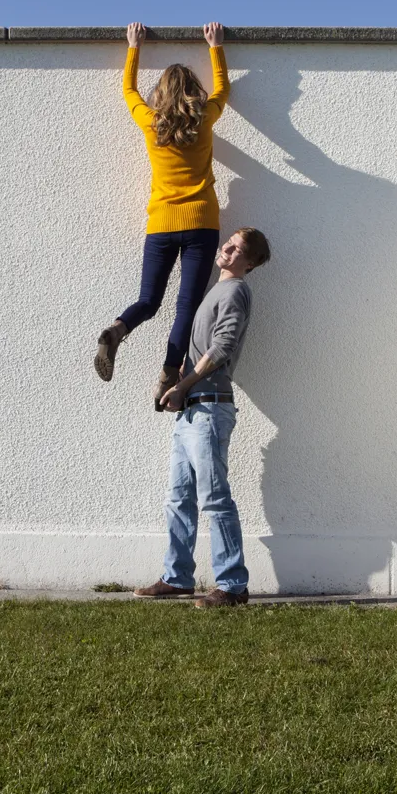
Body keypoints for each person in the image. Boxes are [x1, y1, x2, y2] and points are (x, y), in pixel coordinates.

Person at [133, 227, 271, 608]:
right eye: (229, 242)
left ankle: (232, 586)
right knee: (178, 498)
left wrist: (186, 383)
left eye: (237, 249)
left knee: (215, 498)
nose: (226, 248)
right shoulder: (217, 289)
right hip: (192, 410)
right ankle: (177, 578)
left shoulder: (235, 291)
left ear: (250, 262)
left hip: (210, 407)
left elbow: (224, 345)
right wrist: (179, 385)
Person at [95, 21, 230, 409]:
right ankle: (168, 377)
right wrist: (215, 47)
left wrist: (133, 47)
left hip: (161, 225)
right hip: (201, 222)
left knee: (148, 300)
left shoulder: (150, 122)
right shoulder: (205, 117)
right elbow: (223, 89)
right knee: (186, 307)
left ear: (162, 94)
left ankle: (119, 328)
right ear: (193, 93)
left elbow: (128, 91)